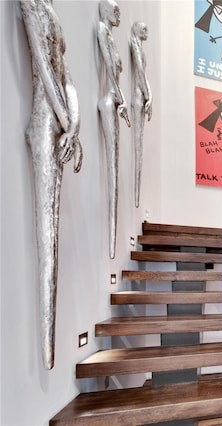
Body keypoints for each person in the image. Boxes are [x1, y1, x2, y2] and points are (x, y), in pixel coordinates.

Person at [19, 0, 83, 370]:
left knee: (53, 237)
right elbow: (43, 68)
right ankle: (46, 348)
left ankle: (49, 348)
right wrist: (64, 124)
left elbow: (66, 76)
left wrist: (74, 128)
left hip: (60, 125)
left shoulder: (51, 10)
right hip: (44, 123)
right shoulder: (30, 4)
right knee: (48, 237)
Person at [97, 0, 129, 259]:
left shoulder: (112, 36)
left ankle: (112, 245)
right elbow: (108, 66)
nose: (119, 13)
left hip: (116, 100)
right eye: (115, 9)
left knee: (115, 168)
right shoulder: (101, 30)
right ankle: (110, 247)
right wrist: (122, 100)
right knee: (112, 168)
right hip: (110, 101)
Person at [129, 21, 152, 208]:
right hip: (138, 97)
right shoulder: (134, 45)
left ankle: (137, 196)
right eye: (144, 29)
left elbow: (143, 75)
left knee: (140, 142)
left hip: (142, 96)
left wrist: (150, 96)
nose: (147, 32)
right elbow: (141, 73)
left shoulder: (140, 47)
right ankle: (136, 196)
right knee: (138, 141)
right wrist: (148, 95)